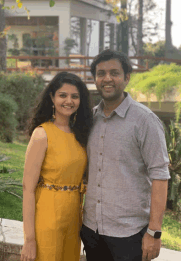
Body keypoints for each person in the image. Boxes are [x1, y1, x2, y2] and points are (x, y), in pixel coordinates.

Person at [80, 49, 170, 261]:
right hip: (92, 230)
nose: (107, 79)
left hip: (129, 235)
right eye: (101, 73)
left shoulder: (145, 121)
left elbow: (160, 176)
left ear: (126, 77)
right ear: (95, 79)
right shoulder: (90, 119)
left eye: (114, 73)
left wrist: (154, 232)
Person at [21, 72, 93, 261]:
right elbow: (28, 188)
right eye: (63, 95)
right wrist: (29, 239)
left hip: (73, 217)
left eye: (74, 96)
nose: (69, 101)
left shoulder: (81, 135)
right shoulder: (42, 134)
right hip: (48, 213)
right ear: (52, 98)